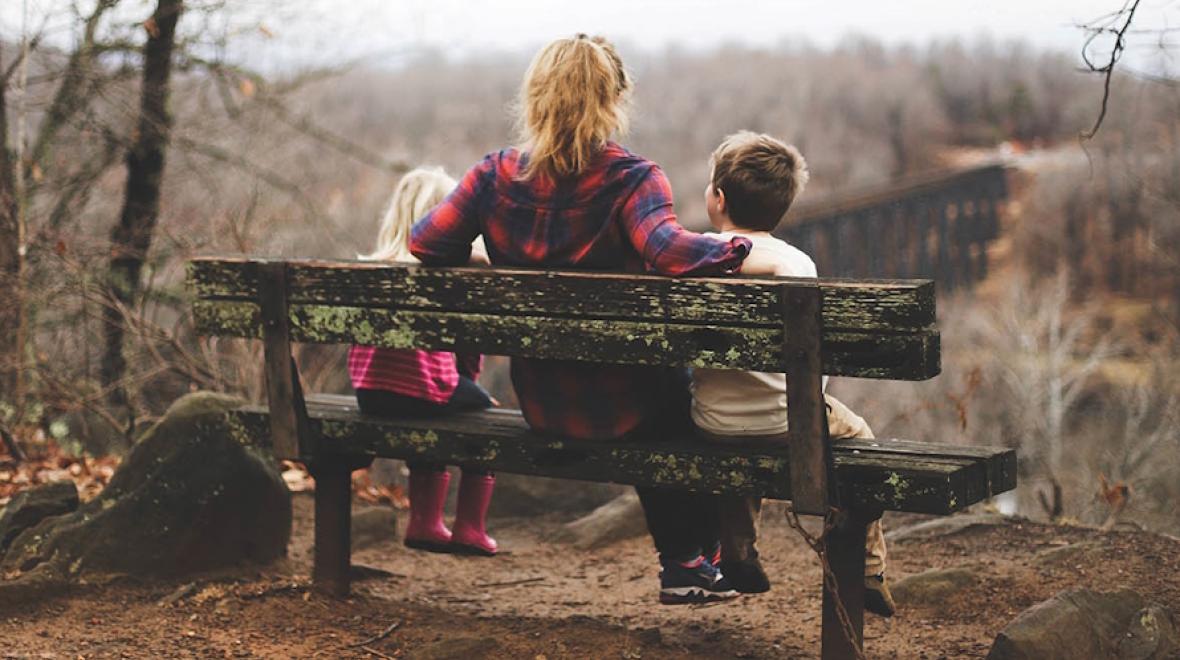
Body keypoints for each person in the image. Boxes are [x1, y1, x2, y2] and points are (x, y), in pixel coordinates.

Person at [410, 34, 752, 604]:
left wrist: (480, 255)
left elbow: (425, 243)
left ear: (536, 97)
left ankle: (695, 560)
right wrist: (737, 248)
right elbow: (668, 251)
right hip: (629, 408)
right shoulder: (633, 179)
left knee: (663, 391)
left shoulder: (493, 176)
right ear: (615, 99)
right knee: (680, 394)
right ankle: (692, 559)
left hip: (543, 404)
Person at [690, 131, 896, 616]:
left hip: (712, 423)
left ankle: (737, 551)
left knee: (738, 432)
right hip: (790, 423)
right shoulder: (797, 264)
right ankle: (868, 568)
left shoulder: (692, 256)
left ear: (718, 199)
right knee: (859, 437)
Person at [349, 166, 499, 557]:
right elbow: (466, 349)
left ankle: (425, 522)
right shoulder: (445, 273)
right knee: (484, 414)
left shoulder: (371, 268)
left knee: (433, 403)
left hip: (370, 394)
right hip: (423, 392)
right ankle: (469, 528)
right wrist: (470, 384)